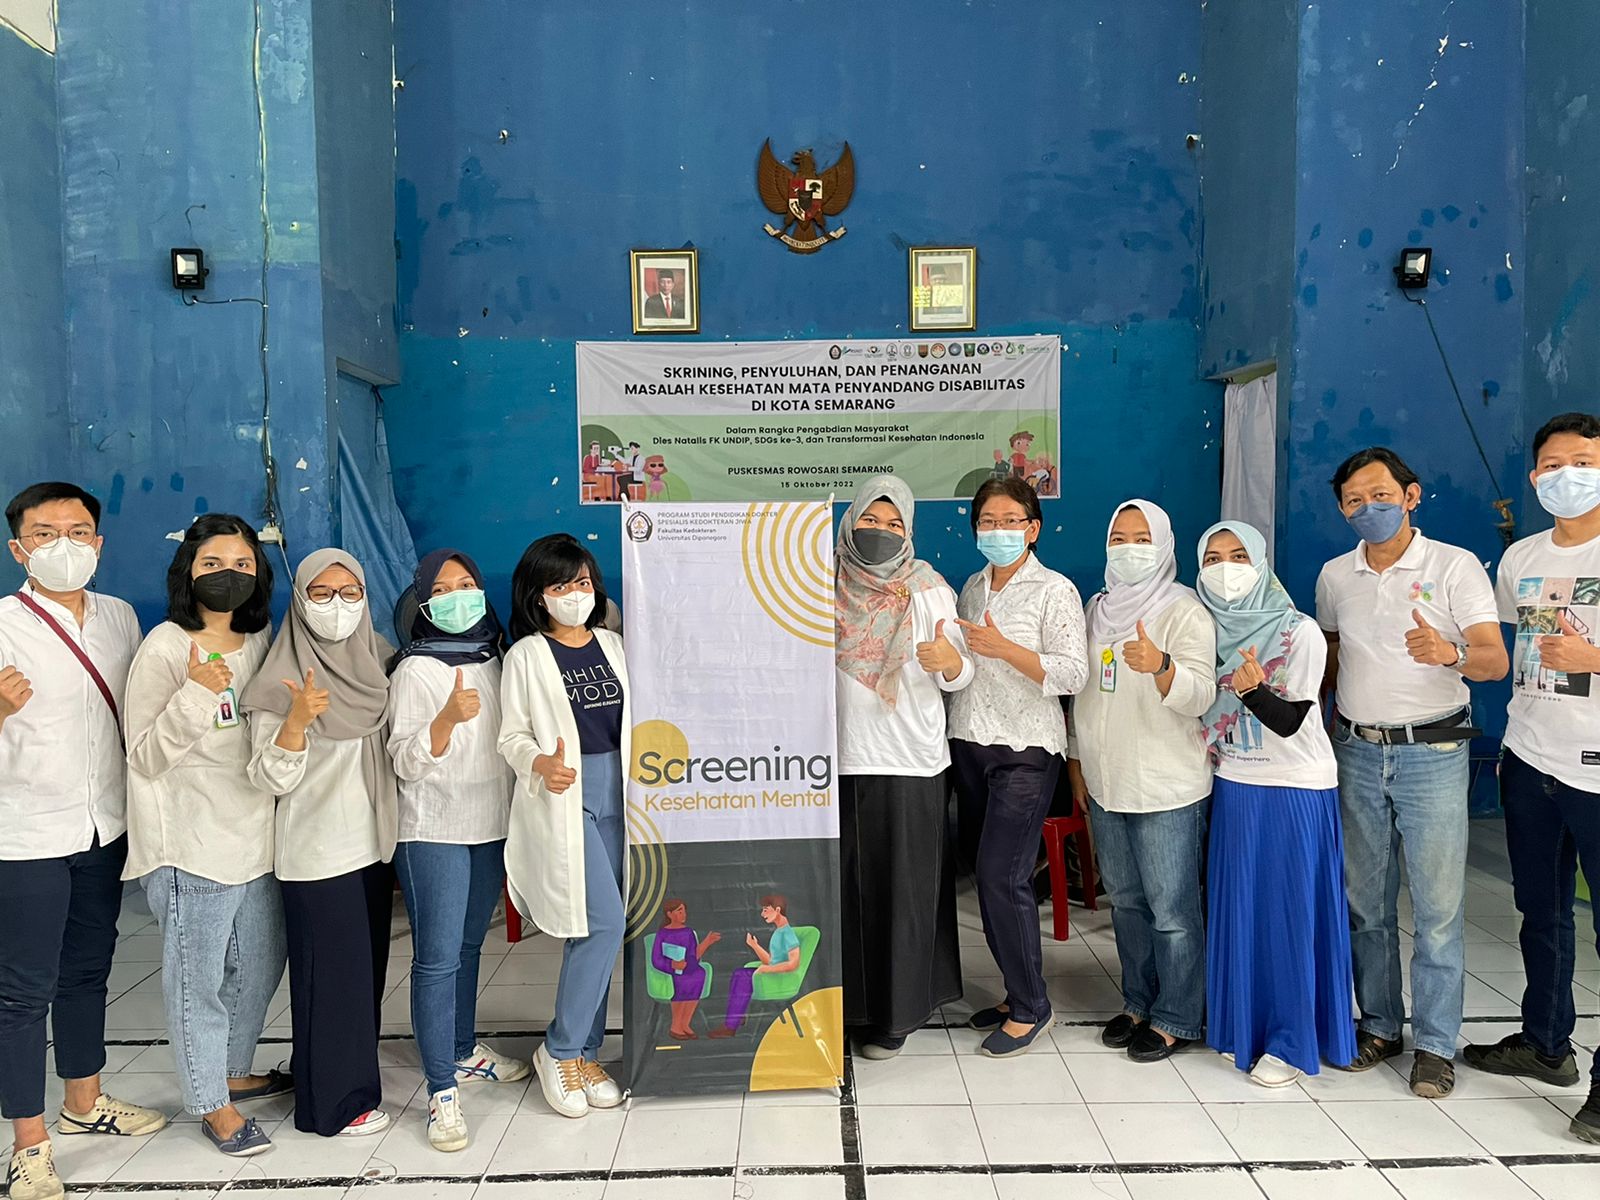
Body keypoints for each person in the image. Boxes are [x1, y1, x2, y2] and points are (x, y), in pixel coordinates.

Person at [1315, 448, 1508, 1099]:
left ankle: (1433, 1043)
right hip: (1358, 754)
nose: (1367, 508)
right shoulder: (1335, 577)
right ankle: (1379, 1025)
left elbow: (1493, 661)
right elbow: (1331, 663)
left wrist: (1451, 653)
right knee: (1365, 905)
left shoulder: (1453, 566)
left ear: (1411, 494)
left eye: (1379, 494)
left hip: (1434, 755)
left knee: (1438, 910)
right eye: (1353, 500)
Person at [0, 483, 164, 1200]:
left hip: (104, 825)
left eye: (78, 531)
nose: (63, 544)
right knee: (21, 993)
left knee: (87, 970)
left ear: (98, 543)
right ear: (18, 548)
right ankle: (28, 1143)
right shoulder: (2, 624)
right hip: (25, 832)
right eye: (44, 533)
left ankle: (84, 1102)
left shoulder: (120, 618)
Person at [123, 515, 290, 1157]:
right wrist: (196, 692)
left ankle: (233, 1068)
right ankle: (210, 1103)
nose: (229, 575)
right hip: (189, 840)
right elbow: (143, 755)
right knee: (197, 979)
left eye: (243, 565)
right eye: (214, 563)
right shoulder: (166, 646)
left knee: (258, 962)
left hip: (253, 830)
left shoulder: (262, 639)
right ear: (188, 571)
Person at [1465, 412, 1600, 1145]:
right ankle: (1546, 1045)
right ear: (1535, 476)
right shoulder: (1521, 557)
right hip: (1531, 756)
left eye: (1582, 460)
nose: (1565, 474)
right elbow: (1513, 649)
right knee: (1541, 914)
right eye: (1552, 463)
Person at [242, 550, 397, 1139]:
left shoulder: (377, 658)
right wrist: (296, 721)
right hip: (315, 851)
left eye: (350, 592)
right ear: (300, 601)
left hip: (372, 849)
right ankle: (334, 1105)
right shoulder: (280, 676)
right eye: (322, 594)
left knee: (363, 976)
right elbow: (267, 777)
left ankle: (335, 1079)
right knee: (330, 980)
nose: (338, 607)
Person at [1197, 520, 1355, 1088]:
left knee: (1288, 913)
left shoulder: (1299, 630)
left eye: (1239, 555)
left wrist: (1250, 689)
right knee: (1241, 909)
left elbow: (1290, 722)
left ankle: (1291, 1039)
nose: (1225, 566)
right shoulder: (1202, 629)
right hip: (1235, 780)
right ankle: (1244, 1026)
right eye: (1213, 556)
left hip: (1293, 785)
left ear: (1261, 561)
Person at [1066, 500, 1215, 1064]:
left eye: (1141, 538)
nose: (1129, 548)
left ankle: (1178, 1015)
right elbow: (1084, 694)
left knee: (1173, 909)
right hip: (1107, 783)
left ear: (1164, 544)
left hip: (1167, 786)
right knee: (1126, 902)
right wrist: (1079, 764)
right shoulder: (1096, 608)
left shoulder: (1184, 611)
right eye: (1119, 537)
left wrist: (1161, 666)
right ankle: (1138, 1001)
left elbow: (1202, 694)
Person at [387, 550, 525, 1153]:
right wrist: (444, 720)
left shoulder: (496, 656)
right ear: (421, 601)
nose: (458, 596)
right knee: (438, 958)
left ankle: (464, 1050)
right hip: (432, 830)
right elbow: (404, 760)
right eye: (442, 589)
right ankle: (441, 1091)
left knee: (471, 945)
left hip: (489, 824)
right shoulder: (414, 671)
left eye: (467, 584)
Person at [947, 477, 1088, 1058]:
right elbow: (958, 663)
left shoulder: (1056, 590)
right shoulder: (970, 588)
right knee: (986, 876)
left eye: (1010, 521)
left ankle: (1033, 1007)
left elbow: (1073, 673)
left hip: (1026, 750)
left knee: (1004, 875)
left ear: (1033, 528)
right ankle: (1014, 991)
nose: (998, 531)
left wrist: (1006, 648)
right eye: (987, 521)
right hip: (970, 742)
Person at [833, 475, 970, 1059]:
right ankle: (842, 1007)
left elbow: (960, 677)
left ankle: (895, 1015)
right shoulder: (818, 585)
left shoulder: (930, 589)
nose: (881, 533)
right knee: (841, 892)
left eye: (894, 525)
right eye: (871, 520)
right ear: (849, 522)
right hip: (832, 758)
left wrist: (949, 662)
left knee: (901, 892)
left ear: (910, 531)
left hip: (910, 759)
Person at [499, 534, 628, 1119]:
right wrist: (538, 764)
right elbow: (511, 736)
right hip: (565, 796)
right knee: (603, 922)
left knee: (595, 929)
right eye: (560, 586)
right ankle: (559, 1049)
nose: (575, 594)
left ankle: (587, 1051)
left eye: (582, 582)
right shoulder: (526, 655)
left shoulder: (614, 645)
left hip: (622, 794)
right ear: (538, 595)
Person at [710, 897, 802, 1037]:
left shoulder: (787, 934)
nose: (762, 914)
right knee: (738, 973)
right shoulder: (778, 932)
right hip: (774, 974)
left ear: (777, 910)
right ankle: (737, 1015)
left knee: (743, 977)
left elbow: (793, 964)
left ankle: (730, 1027)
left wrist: (767, 969)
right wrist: (755, 946)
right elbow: (771, 961)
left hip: (781, 979)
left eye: (766, 910)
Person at [652, 900, 720, 1040]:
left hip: (688, 966)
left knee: (699, 973)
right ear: (669, 914)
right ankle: (675, 1025)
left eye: (684, 910)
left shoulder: (688, 932)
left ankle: (685, 1023)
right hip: (672, 970)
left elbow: (693, 955)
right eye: (679, 911)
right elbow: (656, 959)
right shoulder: (662, 933)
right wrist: (672, 964)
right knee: (683, 981)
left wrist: (706, 942)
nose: (683, 914)